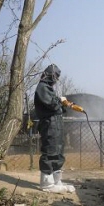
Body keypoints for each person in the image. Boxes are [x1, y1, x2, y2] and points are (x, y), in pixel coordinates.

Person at [34, 64, 77, 193]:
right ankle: (46, 183)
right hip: (49, 123)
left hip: (56, 123)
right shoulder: (42, 88)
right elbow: (51, 104)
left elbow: (56, 106)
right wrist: (60, 101)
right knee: (50, 149)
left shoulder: (49, 89)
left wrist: (62, 103)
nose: (56, 79)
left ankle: (56, 180)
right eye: (56, 76)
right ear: (50, 74)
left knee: (58, 150)